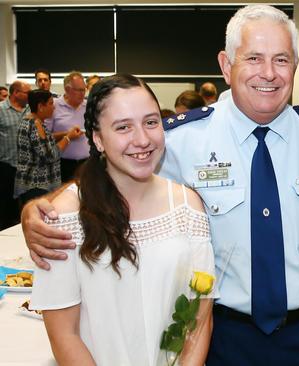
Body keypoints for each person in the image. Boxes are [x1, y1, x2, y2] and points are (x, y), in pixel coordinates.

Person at [22, 5, 299, 366]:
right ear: (226, 65)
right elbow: (110, 177)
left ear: (296, 66)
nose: (268, 73)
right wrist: (37, 209)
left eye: (282, 60)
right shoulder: (179, 141)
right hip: (217, 337)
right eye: (254, 58)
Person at [29, 74, 216, 366]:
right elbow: (64, 333)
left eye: (151, 122)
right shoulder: (66, 215)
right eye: (123, 127)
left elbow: (200, 318)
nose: (142, 139)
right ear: (98, 138)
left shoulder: (187, 205)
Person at [14, 89, 83, 206]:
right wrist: (68, 138)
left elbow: (44, 139)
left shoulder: (31, 121)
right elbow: (50, 155)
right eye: (51, 104)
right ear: (41, 106)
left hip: (33, 184)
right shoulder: (36, 125)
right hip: (38, 184)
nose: (54, 108)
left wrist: (66, 133)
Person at [45, 71, 89, 182]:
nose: (82, 93)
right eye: (79, 90)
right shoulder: (54, 106)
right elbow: (45, 137)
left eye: (84, 89)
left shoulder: (88, 106)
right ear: (67, 90)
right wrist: (67, 135)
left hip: (87, 163)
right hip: (63, 165)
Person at [0, 81, 30, 230]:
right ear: (16, 93)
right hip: (6, 167)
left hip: (27, 168)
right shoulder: (1, 110)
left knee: (25, 207)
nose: (29, 96)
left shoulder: (29, 110)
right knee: (6, 207)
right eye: (26, 93)